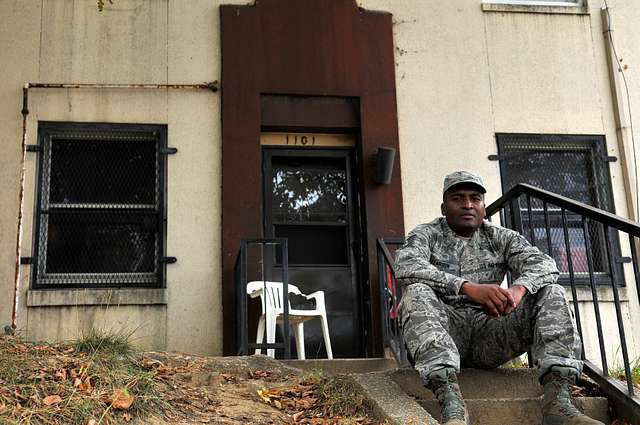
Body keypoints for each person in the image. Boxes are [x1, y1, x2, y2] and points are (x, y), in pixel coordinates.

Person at [394, 171, 603, 425]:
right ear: (444, 207)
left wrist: (518, 290)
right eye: (458, 198)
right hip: (446, 331)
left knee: (552, 291)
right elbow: (406, 266)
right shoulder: (427, 234)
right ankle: (451, 404)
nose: (468, 204)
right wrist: (466, 287)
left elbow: (545, 265)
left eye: (475, 198)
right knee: (416, 292)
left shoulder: (501, 237)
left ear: (483, 207)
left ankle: (557, 402)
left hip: (491, 332)